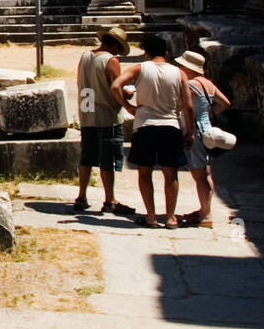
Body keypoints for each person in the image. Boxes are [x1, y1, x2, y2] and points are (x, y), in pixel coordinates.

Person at [111, 34, 194, 229]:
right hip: (170, 125)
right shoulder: (179, 73)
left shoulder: (139, 68)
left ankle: (151, 216)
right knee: (170, 174)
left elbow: (116, 85)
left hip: (144, 125)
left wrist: (128, 106)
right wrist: (189, 131)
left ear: (146, 52)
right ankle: (171, 217)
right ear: (167, 52)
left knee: (145, 172)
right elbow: (188, 106)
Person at [74, 26, 134, 216]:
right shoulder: (111, 60)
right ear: (115, 45)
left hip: (87, 111)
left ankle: (81, 196)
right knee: (107, 159)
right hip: (106, 114)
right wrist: (128, 99)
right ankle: (109, 199)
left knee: (87, 156)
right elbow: (116, 87)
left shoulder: (85, 56)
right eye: (119, 48)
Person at [173, 50, 230, 229]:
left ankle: (206, 214)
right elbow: (225, 103)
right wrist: (209, 114)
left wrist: (189, 128)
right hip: (207, 129)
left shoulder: (190, 85)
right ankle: (205, 209)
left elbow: (183, 107)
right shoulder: (208, 84)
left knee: (199, 175)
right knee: (206, 173)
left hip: (194, 131)